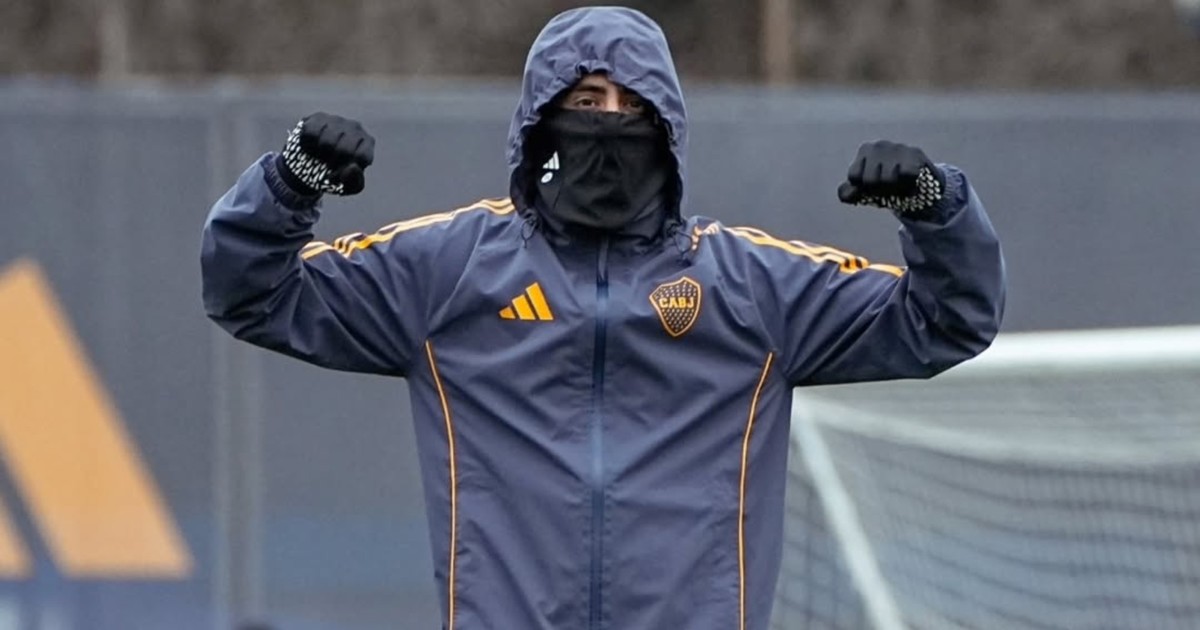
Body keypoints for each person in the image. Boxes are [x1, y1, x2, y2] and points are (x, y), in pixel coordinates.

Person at [201, 6, 1005, 630]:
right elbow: (252, 293)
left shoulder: (748, 285)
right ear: (538, 121)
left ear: (668, 129)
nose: (609, 122)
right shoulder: (449, 270)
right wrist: (289, 184)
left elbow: (947, 319)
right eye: (587, 102)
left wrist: (934, 210)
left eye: (633, 106)